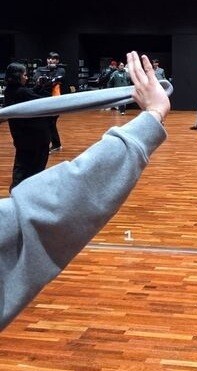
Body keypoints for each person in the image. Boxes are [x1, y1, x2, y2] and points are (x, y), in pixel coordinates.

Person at [0, 51, 170, 330]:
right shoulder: (18, 93)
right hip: (29, 143)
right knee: (25, 176)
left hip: (34, 140)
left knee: (28, 174)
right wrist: (152, 117)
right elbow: (49, 210)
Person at [3, 62, 51, 192]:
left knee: (21, 165)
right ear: (17, 76)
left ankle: (16, 191)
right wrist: (46, 88)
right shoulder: (22, 92)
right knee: (35, 168)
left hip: (21, 137)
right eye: (24, 75)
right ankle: (27, 192)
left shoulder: (9, 91)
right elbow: (44, 102)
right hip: (35, 138)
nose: (27, 77)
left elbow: (30, 95)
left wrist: (38, 87)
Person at [33, 51, 65, 152]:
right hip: (41, 99)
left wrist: (45, 82)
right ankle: (52, 144)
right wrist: (47, 81)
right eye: (49, 58)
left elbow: (56, 80)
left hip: (54, 100)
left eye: (54, 58)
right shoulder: (40, 69)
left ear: (57, 61)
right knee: (44, 123)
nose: (51, 60)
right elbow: (36, 79)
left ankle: (55, 144)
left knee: (51, 122)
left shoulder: (61, 70)